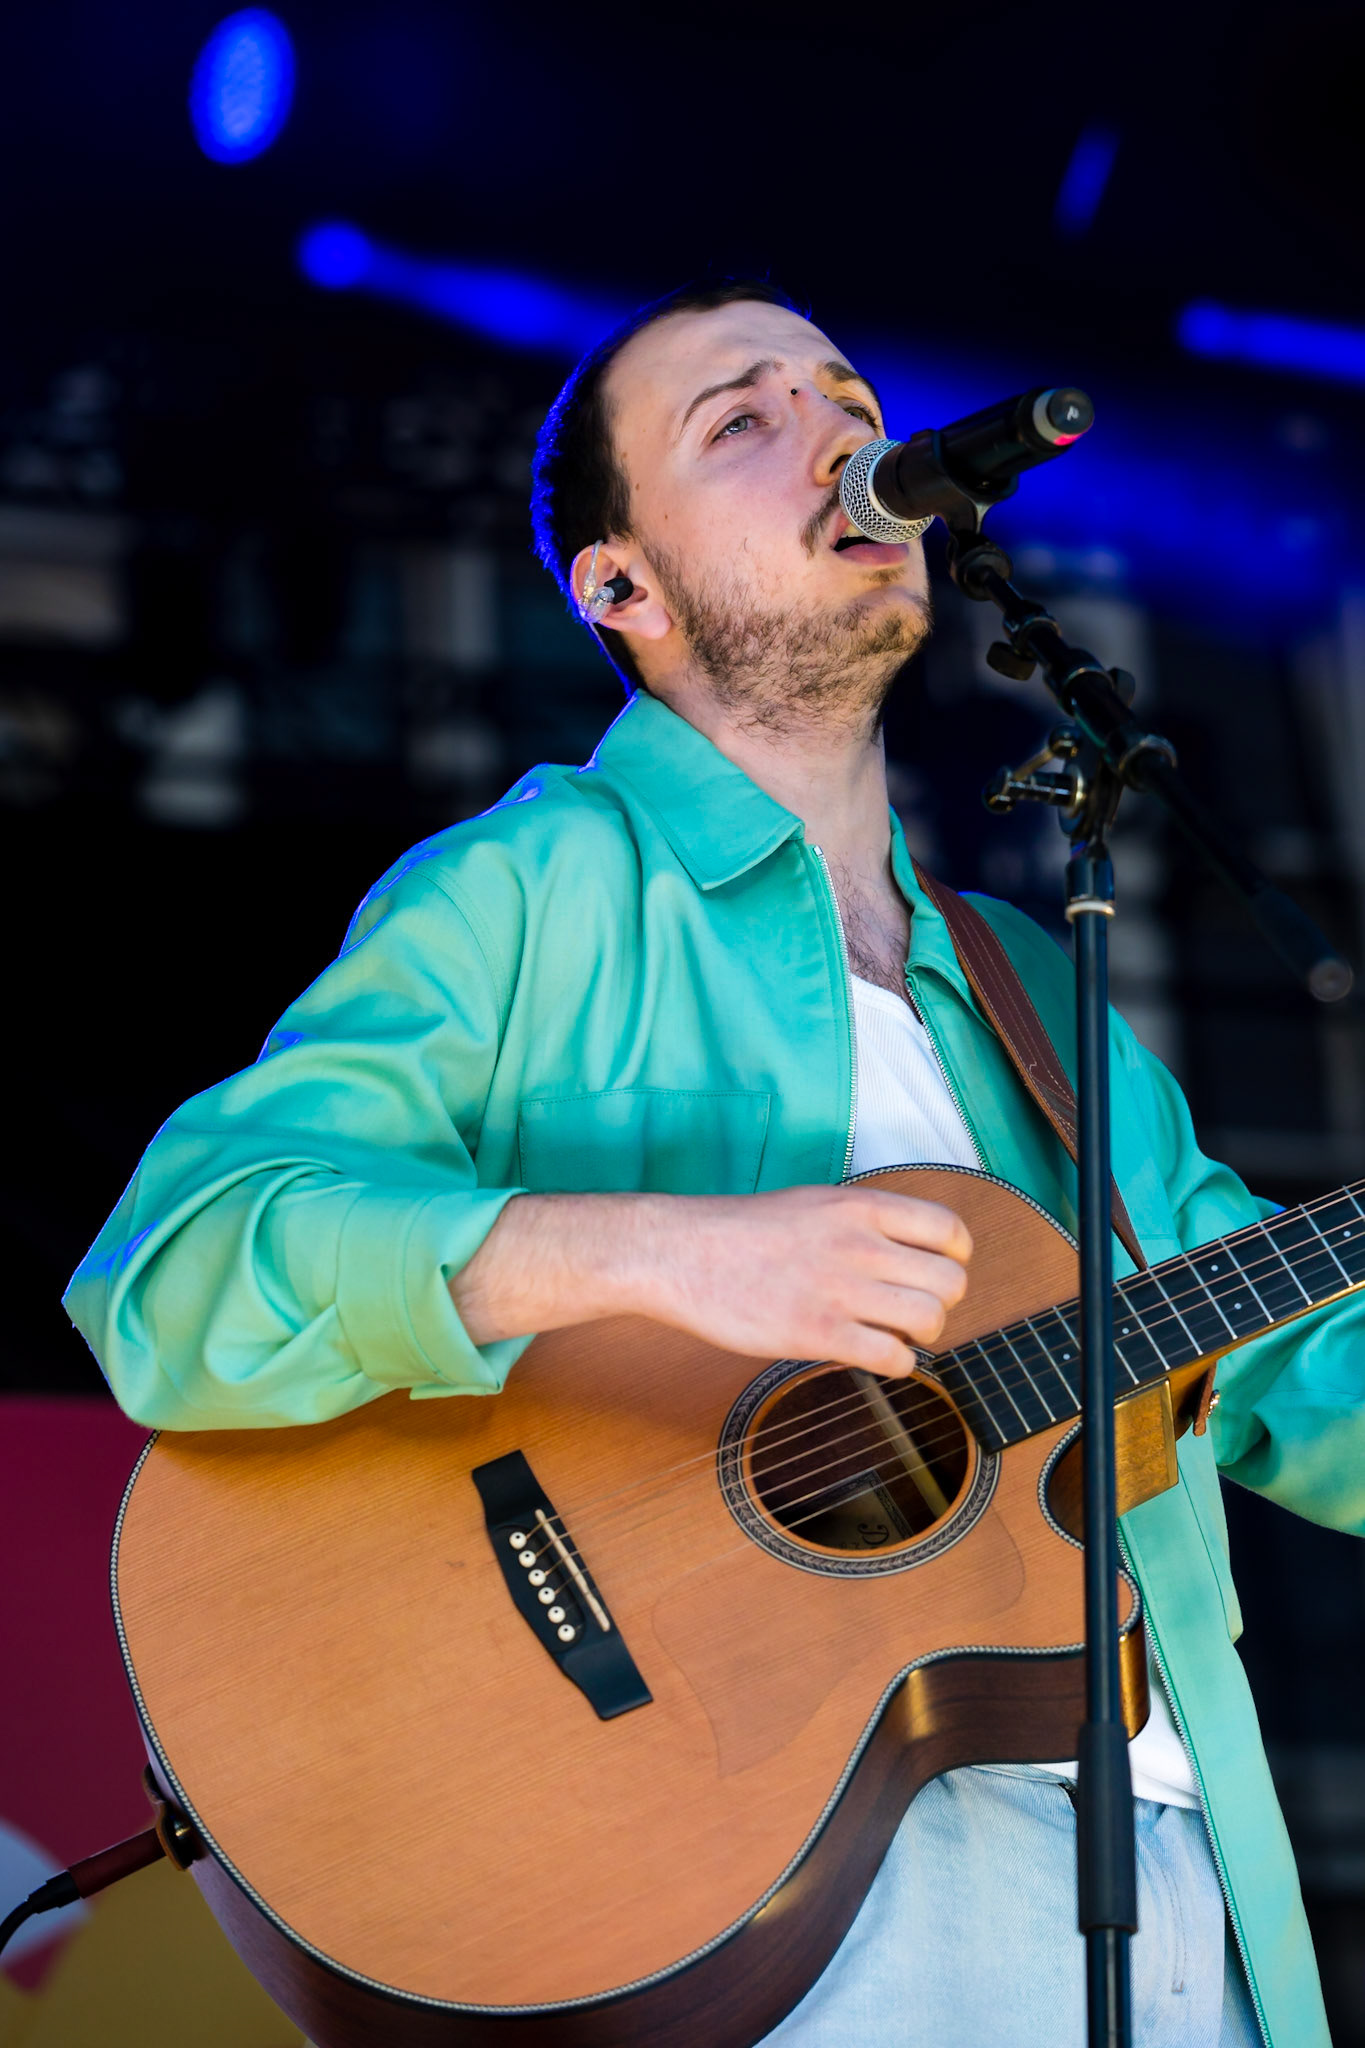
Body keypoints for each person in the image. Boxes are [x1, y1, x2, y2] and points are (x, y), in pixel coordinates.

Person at [65, 279, 1361, 2048]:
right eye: (741, 421)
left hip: (1178, 1885)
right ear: (622, 588)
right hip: (774, 1869)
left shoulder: (1039, 989)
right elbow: (180, 1272)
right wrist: (664, 1253)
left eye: (849, 403)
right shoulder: (531, 889)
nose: (839, 441)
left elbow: (1309, 1370)